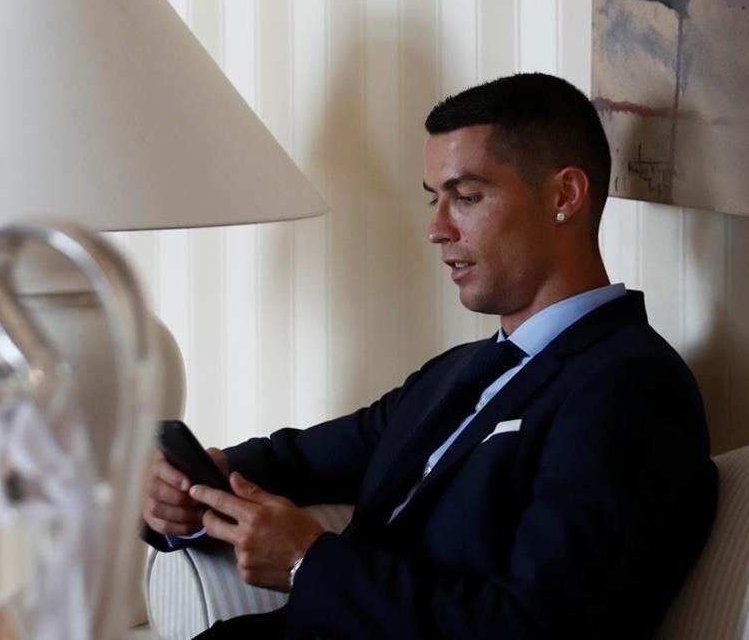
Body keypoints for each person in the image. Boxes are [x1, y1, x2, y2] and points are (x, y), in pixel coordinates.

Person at [142, 73, 718, 639]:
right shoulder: (459, 372)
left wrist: (306, 564)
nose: (436, 229)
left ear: (564, 196)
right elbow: (296, 460)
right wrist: (188, 492)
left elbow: (537, 625)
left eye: (467, 197)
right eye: (434, 199)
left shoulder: (631, 388)